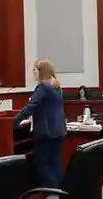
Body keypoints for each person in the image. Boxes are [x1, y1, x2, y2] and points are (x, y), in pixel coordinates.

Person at [13, 58, 66, 188]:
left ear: (41, 71)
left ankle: (54, 189)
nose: (33, 73)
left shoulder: (43, 87)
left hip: (46, 131)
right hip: (58, 129)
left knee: (41, 164)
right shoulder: (57, 86)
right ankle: (60, 190)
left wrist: (14, 121)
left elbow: (31, 106)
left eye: (35, 70)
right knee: (55, 163)